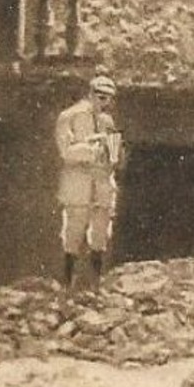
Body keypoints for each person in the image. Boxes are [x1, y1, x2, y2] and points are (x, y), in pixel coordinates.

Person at [55, 72, 122, 291]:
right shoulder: (69, 116)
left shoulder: (106, 121)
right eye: (101, 96)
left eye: (109, 98)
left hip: (101, 182)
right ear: (91, 94)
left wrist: (112, 151)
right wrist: (91, 148)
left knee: (100, 233)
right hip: (79, 182)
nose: (105, 102)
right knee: (74, 230)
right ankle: (67, 283)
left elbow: (115, 154)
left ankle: (95, 283)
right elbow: (66, 151)